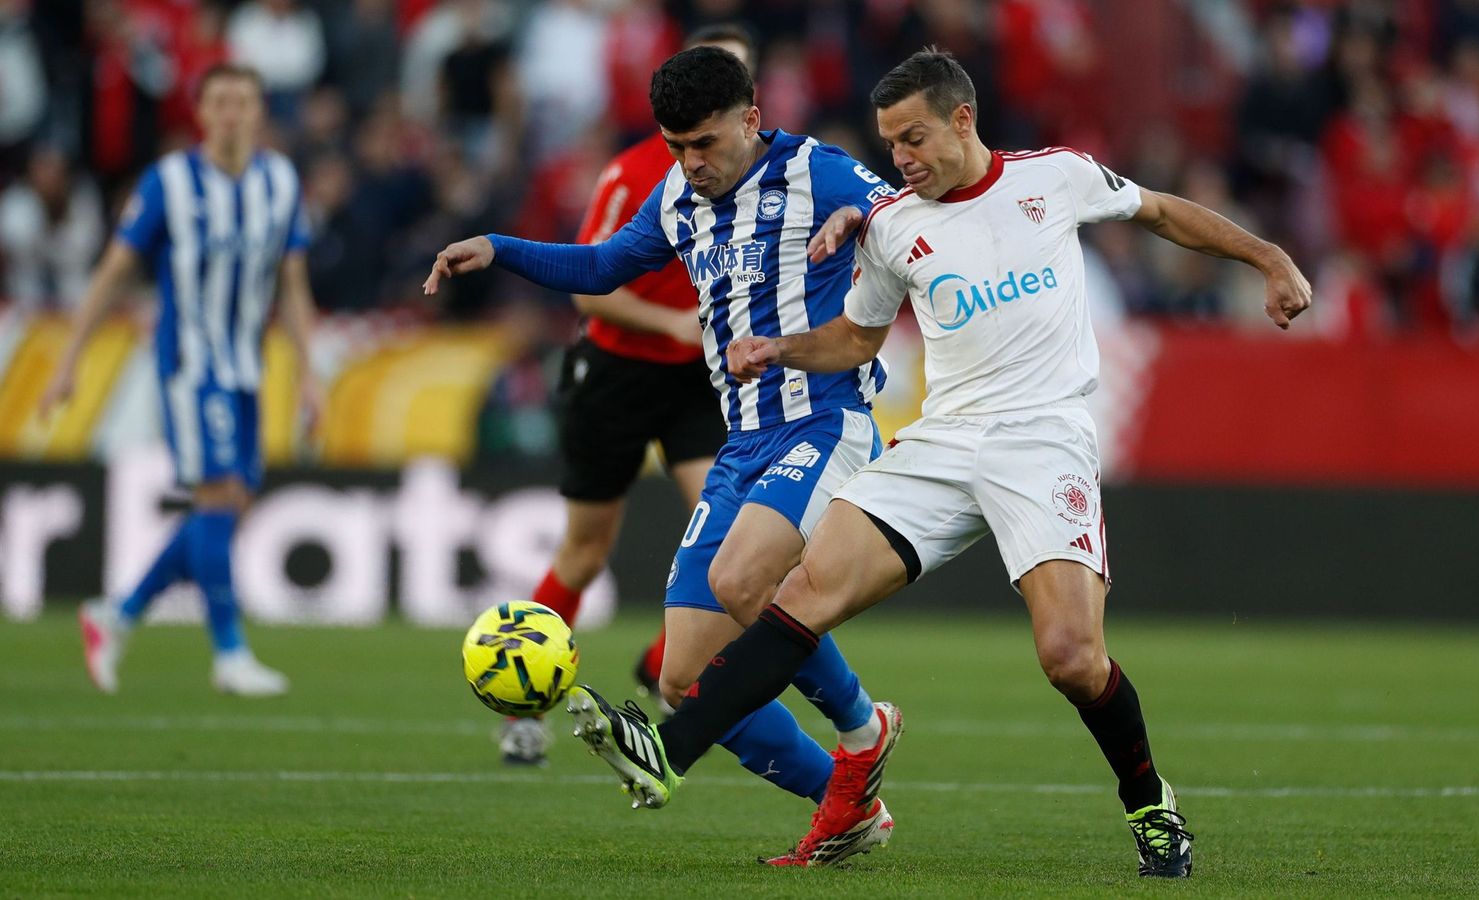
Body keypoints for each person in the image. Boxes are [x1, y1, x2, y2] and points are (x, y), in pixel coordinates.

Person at [563, 48, 1313, 875]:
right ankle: (668, 754)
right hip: (944, 439)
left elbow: (1162, 213)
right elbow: (856, 337)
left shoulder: (1054, 177)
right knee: (798, 592)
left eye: (914, 138)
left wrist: (1268, 258)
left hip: (1041, 438)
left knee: (1071, 657)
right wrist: (780, 348)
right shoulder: (890, 225)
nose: (903, 159)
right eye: (891, 145)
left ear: (963, 118)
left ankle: (1150, 804)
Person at [425, 46, 904, 866]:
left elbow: (911, 212)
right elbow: (607, 265)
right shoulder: (681, 193)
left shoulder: (818, 172)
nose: (692, 163)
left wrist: (862, 219)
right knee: (684, 677)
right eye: (676, 145)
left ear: (751, 119)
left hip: (827, 421)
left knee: (740, 582)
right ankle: (849, 803)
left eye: (705, 144)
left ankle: (866, 727)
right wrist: (500, 248)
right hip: (742, 441)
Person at [496, 24, 757, 767]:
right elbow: (594, 288)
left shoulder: (771, 177)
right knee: (584, 551)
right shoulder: (637, 172)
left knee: (735, 546)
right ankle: (524, 707)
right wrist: (675, 320)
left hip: (694, 382)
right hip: (613, 374)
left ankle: (660, 663)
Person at [40, 63, 324, 698]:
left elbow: (294, 282)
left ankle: (117, 613)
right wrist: (67, 361)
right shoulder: (169, 181)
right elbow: (113, 270)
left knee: (225, 508)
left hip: (249, 366)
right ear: (200, 113)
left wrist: (310, 374)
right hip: (190, 366)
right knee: (219, 495)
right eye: (219, 101)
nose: (231, 113)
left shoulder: (280, 181)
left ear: (258, 112)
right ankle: (229, 652)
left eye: (243, 102)